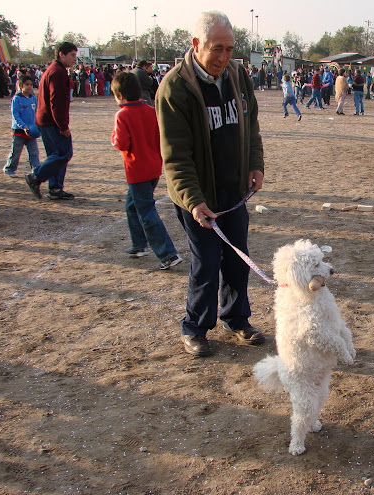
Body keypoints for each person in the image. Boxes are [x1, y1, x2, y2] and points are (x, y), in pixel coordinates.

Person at [155, 11, 266, 357]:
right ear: (196, 45)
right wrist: (192, 199)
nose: (223, 57)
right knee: (206, 261)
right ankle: (195, 327)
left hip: (233, 191)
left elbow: (252, 126)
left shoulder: (237, 76)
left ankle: (236, 318)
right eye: (216, 48)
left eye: (230, 49)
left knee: (237, 258)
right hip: (198, 196)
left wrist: (255, 164)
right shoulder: (175, 89)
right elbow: (176, 157)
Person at [110, 71, 183, 270]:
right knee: (132, 206)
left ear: (120, 96)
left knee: (146, 211)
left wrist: (113, 138)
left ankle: (167, 254)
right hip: (153, 167)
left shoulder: (122, 115)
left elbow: (122, 143)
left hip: (136, 170)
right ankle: (139, 245)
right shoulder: (151, 111)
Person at [25, 42, 78, 200]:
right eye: (72, 55)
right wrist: (63, 126)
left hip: (45, 120)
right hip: (51, 121)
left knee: (55, 156)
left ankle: (55, 188)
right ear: (61, 54)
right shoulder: (58, 72)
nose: (75, 59)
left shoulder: (54, 70)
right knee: (63, 154)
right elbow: (56, 102)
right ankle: (36, 177)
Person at [4, 75, 41, 178]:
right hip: (19, 131)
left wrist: (37, 124)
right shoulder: (16, 99)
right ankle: (10, 168)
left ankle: (36, 170)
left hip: (31, 131)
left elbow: (37, 112)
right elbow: (15, 115)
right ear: (20, 85)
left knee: (34, 152)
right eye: (27, 84)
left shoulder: (33, 99)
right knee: (16, 151)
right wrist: (23, 126)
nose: (29, 87)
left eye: (31, 85)